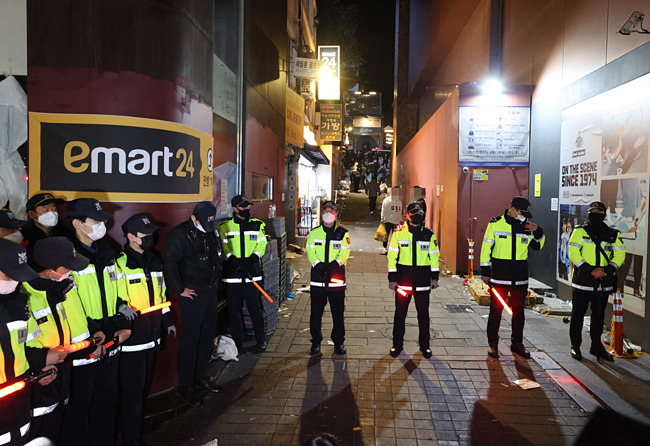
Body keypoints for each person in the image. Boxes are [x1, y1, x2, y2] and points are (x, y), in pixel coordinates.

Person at [61, 198, 132, 446]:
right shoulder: (67, 258)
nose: (103, 224)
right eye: (96, 220)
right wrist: (92, 338)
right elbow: (68, 305)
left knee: (107, 402)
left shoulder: (107, 252)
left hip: (111, 340)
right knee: (79, 409)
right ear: (78, 223)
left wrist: (123, 321)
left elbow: (119, 290)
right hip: (84, 345)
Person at [23, 237, 91, 443]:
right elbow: (16, 347)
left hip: (59, 378)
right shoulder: (25, 296)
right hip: (37, 385)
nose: (72, 272)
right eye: (67, 267)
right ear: (49, 269)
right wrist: (38, 366)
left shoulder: (55, 290)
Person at [116, 215, 176, 445]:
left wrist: (168, 320)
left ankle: (137, 424)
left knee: (143, 388)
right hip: (132, 337)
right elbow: (114, 297)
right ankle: (131, 436)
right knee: (132, 391)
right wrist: (120, 307)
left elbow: (160, 296)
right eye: (145, 235)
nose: (150, 238)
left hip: (152, 335)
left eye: (151, 234)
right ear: (130, 237)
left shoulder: (154, 259)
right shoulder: (120, 263)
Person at [163, 201, 223, 407]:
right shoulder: (180, 234)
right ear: (194, 217)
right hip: (192, 295)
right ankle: (186, 385)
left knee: (206, 338)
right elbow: (169, 263)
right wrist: (179, 289)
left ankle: (199, 378)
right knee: (190, 340)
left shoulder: (210, 231)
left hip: (210, 292)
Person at [0, 239, 59, 446]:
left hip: (19, 406)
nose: (16, 281)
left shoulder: (18, 302)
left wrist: (40, 364)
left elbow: (23, 347)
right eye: (10, 274)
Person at [480, 196, 545, 359]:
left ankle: (517, 343)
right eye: (522, 213)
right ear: (513, 209)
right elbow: (486, 247)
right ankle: (493, 343)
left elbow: (538, 246)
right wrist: (485, 272)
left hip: (520, 277)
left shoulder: (527, 227)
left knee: (518, 313)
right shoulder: (496, 224)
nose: (524, 217)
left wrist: (538, 231)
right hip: (500, 276)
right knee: (496, 311)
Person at [568, 201, 625, 362]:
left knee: (598, 317)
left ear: (604, 215)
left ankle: (596, 346)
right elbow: (573, 252)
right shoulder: (579, 232)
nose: (595, 214)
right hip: (582, 282)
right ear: (588, 214)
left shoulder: (613, 234)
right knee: (578, 315)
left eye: (599, 212)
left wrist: (607, 270)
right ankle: (575, 346)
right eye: (592, 211)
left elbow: (620, 254)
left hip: (602, 283)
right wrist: (590, 269)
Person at [387, 201, 440, 358]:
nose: (417, 216)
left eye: (420, 214)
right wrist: (392, 278)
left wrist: (435, 278)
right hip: (403, 283)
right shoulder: (398, 234)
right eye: (414, 214)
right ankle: (397, 345)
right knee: (400, 315)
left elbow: (434, 257)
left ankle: (425, 346)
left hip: (423, 283)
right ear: (407, 215)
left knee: (423, 315)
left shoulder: (429, 234)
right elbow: (392, 257)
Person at [218, 195, 268, 353]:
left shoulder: (257, 225)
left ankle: (261, 340)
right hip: (232, 275)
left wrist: (254, 257)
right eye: (242, 207)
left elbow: (262, 243)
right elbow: (223, 247)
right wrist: (231, 259)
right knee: (234, 309)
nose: (246, 209)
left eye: (248, 207)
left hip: (252, 274)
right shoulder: (224, 227)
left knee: (255, 308)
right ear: (234, 208)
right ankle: (239, 339)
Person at [305, 201, 351, 356]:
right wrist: (319, 266)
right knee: (316, 313)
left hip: (336, 278)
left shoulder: (343, 233)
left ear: (336, 214)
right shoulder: (314, 233)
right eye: (326, 210)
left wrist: (332, 266)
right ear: (322, 212)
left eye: (332, 211)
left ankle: (339, 342)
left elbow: (344, 253)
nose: (328, 213)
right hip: (318, 278)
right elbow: (310, 252)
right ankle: (316, 342)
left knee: (337, 313)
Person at [21, 192, 66, 258]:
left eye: (54, 209)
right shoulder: (23, 237)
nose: (52, 213)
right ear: (31, 214)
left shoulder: (65, 233)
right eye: (46, 210)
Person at [380, 188, 403, 255]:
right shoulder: (387, 200)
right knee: (387, 235)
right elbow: (383, 209)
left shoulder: (398, 201)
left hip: (395, 220)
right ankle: (385, 248)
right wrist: (382, 218)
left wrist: (400, 219)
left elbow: (400, 211)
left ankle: (392, 248)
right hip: (388, 220)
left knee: (394, 236)